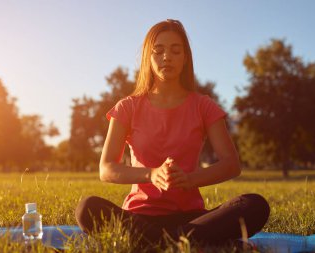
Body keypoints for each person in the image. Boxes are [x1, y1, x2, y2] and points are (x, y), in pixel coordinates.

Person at [75, 19, 270, 250]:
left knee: (255, 205)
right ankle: (190, 245)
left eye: (175, 50)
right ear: (148, 57)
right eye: (158, 51)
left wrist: (190, 179)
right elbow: (106, 168)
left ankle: (160, 245)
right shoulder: (127, 107)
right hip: (140, 219)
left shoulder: (203, 106)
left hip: (192, 219)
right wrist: (151, 174)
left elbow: (231, 165)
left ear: (185, 58)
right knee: (87, 208)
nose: (167, 57)